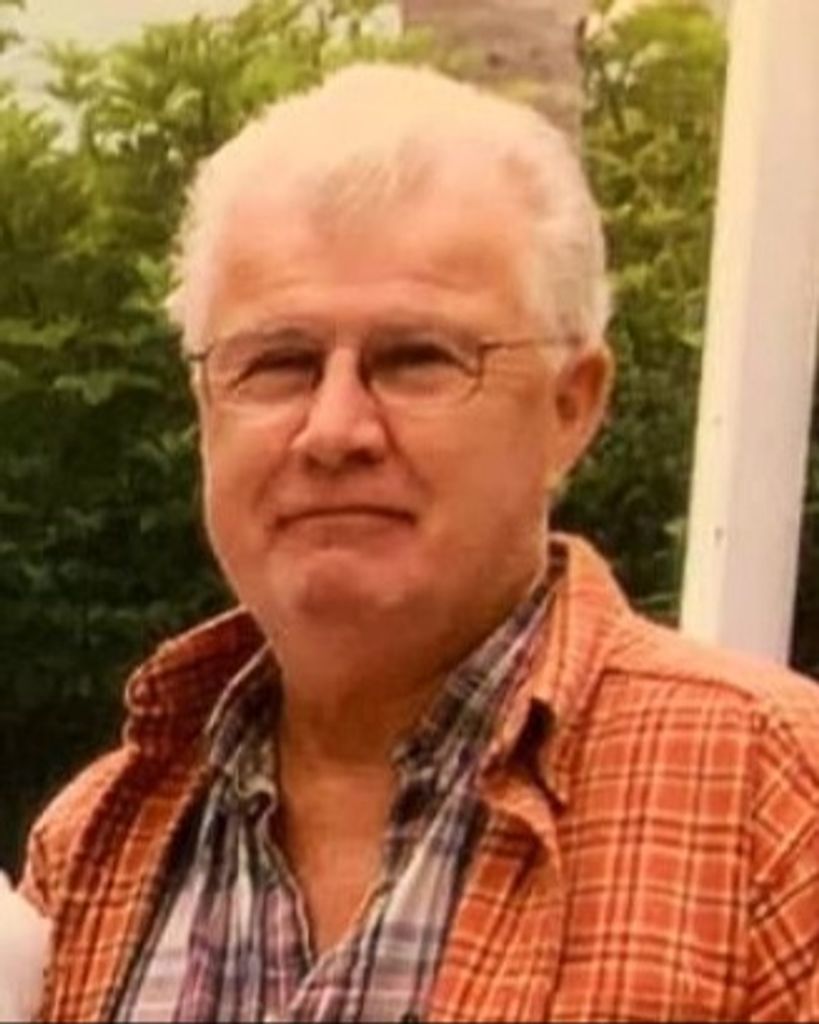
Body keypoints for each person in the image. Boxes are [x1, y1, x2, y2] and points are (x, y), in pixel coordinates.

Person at [19, 63, 819, 1023]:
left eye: (416, 360)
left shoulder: (773, 808)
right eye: (277, 364)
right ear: (203, 407)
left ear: (571, 407)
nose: (334, 430)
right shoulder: (95, 844)